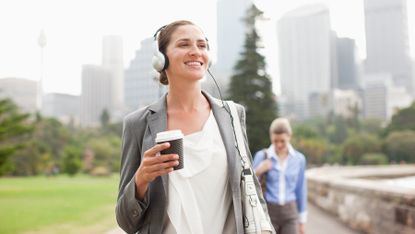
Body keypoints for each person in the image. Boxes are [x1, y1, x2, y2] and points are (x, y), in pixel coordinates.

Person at [115, 20, 273, 234]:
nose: (195, 52)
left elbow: (251, 188)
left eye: (202, 45)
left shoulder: (232, 115)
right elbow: (126, 222)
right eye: (184, 45)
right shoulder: (138, 124)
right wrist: (141, 178)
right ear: (161, 59)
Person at [253, 118, 307, 234]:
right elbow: (250, 186)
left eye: (282, 141)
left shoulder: (299, 159)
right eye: (275, 141)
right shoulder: (261, 156)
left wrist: (302, 221)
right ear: (271, 137)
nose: (279, 144)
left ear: (289, 136)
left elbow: (301, 189)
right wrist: (258, 170)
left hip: (291, 213)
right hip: (268, 212)